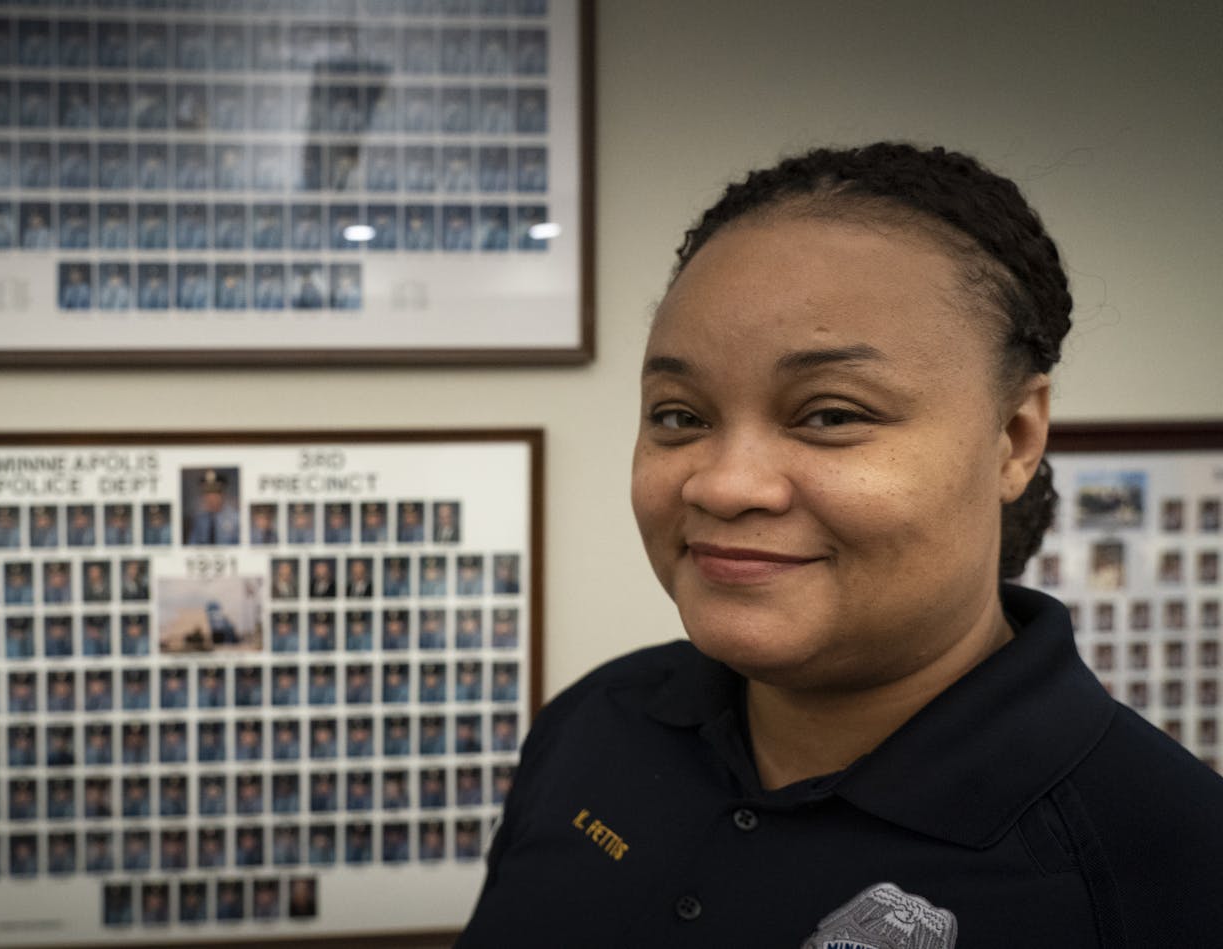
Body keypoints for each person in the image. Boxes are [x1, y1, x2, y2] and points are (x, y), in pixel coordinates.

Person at [457, 143, 1223, 947]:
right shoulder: (596, 723)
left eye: (830, 414)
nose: (722, 485)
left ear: (1014, 437)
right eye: (679, 415)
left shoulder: (1173, 866)